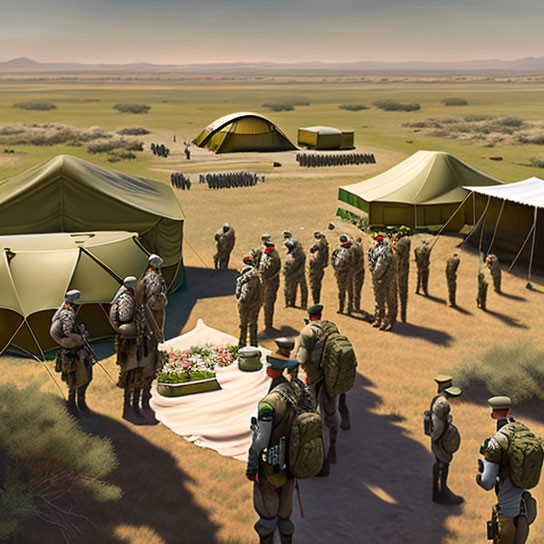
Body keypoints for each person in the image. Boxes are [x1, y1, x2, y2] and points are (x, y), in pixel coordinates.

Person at [246, 354, 311, 544]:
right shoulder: (296, 391)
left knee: (267, 516)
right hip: (291, 463)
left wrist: (252, 463)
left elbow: (261, 441)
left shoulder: (268, 403)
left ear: (270, 370)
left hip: (270, 466)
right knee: (285, 515)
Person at [476, 396, 539, 544]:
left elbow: (487, 483)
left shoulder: (496, 442)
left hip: (507, 515)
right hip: (524, 510)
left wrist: (480, 476)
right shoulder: (523, 432)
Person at [296, 304, 349, 476]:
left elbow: (302, 358)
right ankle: (333, 448)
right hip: (332, 377)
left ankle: (320, 460)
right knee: (332, 413)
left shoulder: (308, 331)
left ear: (310, 316)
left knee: (314, 416)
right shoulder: (331, 327)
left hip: (315, 379)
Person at [49, 289, 96, 417]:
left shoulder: (65, 311)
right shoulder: (67, 314)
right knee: (74, 380)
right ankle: (72, 406)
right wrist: (82, 336)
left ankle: (80, 403)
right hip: (72, 352)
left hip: (76, 350)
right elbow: (68, 331)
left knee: (85, 377)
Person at [109, 276, 149, 423]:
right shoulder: (126, 298)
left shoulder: (131, 297)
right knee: (131, 374)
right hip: (129, 342)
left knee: (139, 372)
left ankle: (136, 406)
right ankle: (128, 408)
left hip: (135, 339)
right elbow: (125, 317)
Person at [139, 254, 168, 421]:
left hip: (150, 309)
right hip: (154, 310)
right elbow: (156, 295)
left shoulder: (146, 276)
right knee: (155, 333)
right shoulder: (154, 278)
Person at [427, 375, 463, 505]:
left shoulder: (438, 400)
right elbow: (438, 425)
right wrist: (439, 438)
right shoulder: (442, 404)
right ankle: (441, 494)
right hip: (440, 439)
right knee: (442, 465)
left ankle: (439, 492)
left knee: (440, 465)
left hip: (439, 438)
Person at [368, 233, 397, 331]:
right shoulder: (378, 249)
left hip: (386, 279)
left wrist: (375, 275)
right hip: (380, 279)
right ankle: (380, 319)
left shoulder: (385, 251)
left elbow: (379, 268)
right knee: (379, 300)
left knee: (389, 300)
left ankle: (388, 321)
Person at [236, 256, 262, 347]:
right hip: (255, 304)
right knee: (253, 325)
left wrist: (242, 301)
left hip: (246, 305)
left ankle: (242, 344)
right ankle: (253, 344)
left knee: (244, 325)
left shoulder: (247, 279)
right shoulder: (257, 277)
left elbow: (245, 294)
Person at [259, 240, 281, 330]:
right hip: (267, 283)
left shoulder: (273, 259)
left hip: (270, 284)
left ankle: (268, 325)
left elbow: (266, 270)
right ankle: (267, 323)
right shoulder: (269, 254)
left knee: (268, 304)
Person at [331, 235, 355, 315]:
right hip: (348, 273)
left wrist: (336, 269)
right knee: (349, 291)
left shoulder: (338, 250)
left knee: (342, 291)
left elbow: (333, 260)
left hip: (341, 273)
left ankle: (341, 308)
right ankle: (349, 309)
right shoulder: (351, 251)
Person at [392, 228, 411, 321]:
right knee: (403, 292)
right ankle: (403, 316)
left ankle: (399, 316)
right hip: (403, 268)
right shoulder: (406, 241)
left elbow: (396, 250)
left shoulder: (402, 243)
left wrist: (393, 242)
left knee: (399, 292)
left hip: (400, 269)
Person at [283, 239, 308, 310]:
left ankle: (304, 304)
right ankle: (290, 303)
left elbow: (302, 266)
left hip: (299, 273)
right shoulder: (289, 254)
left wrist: (295, 273)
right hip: (290, 274)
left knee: (303, 289)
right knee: (290, 288)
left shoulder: (301, 254)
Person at [308, 231, 329, 305]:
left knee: (314, 285)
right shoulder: (325, 246)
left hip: (316, 268)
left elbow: (312, 250)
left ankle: (315, 301)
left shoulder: (317, 253)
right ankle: (317, 300)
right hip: (320, 267)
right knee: (318, 285)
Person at [351, 237, 365, 313]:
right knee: (357, 291)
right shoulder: (360, 248)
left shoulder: (354, 249)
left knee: (354, 290)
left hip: (356, 272)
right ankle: (356, 306)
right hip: (360, 271)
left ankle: (354, 307)